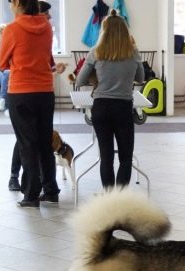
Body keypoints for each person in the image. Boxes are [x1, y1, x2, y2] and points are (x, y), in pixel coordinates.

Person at [0, 0, 60, 207]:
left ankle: (31, 194)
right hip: (45, 92)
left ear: (18, 2)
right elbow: (49, 60)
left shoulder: (12, 29)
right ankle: (50, 190)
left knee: (27, 144)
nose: (10, 6)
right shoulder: (47, 27)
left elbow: (1, 63)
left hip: (21, 92)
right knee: (44, 142)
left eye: (10, 3)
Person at [75, 10, 144, 190]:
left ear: (103, 31)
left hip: (101, 108)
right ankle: (120, 198)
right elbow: (141, 78)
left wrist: (98, 76)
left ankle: (108, 198)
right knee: (125, 158)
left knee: (106, 158)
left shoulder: (95, 52)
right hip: (123, 108)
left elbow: (79, 81)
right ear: (125, 31)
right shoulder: (133, 52)